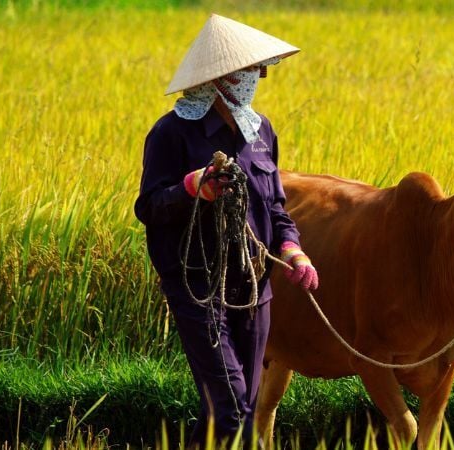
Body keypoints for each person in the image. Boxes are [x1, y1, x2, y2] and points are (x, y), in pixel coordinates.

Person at [133, 14, 319, 447]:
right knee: (234, 406)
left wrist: (293, 250)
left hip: (255, 289)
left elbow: (275, 205)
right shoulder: (171, 133)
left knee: (234, 410)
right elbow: (148, 207)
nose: (258, 77)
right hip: (198, 287)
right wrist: (193, 187)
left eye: (259, 69)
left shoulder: (261, 130)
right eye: (249, 70)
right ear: (219, 79)